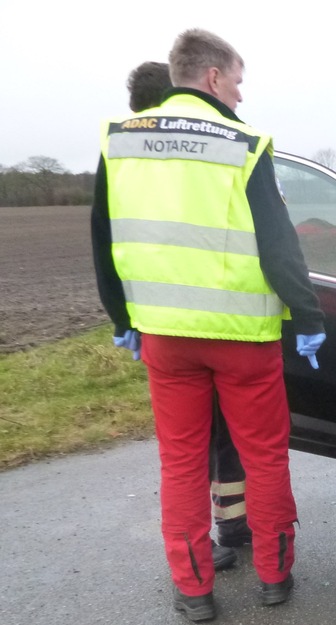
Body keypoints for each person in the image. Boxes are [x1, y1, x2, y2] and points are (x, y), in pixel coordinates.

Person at [93, 29, 326, 620]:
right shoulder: (243, 143)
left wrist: (123, 318)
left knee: (181, 463)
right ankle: (274, 576)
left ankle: (194, 590)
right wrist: (308, 312)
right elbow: (278, 243)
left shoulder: (121, 141)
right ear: (215, 77)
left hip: (166, 336)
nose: (242, 96)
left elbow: (104, 237)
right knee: (267, 457)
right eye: (239, 81)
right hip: (244, 337)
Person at [125, 60, 250, 572]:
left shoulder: (131, 166)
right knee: (217, 443)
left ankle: (211, 545)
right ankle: (233, 533)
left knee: (189, 450)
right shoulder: (219, 156)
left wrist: (124, 317)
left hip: (162, 328)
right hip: (228, 327)